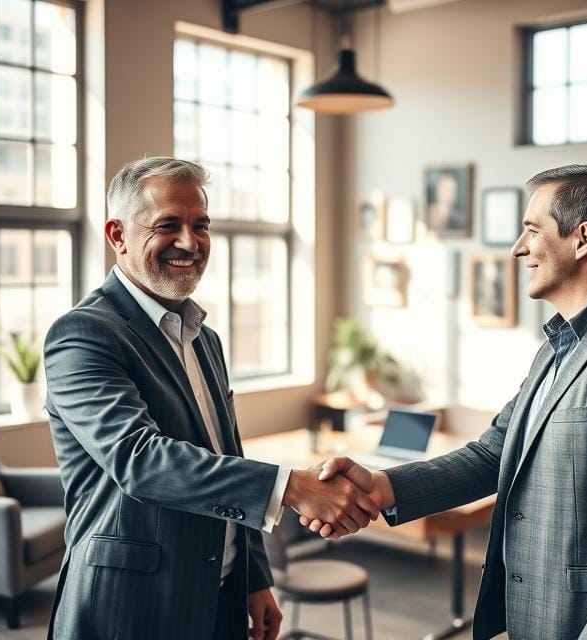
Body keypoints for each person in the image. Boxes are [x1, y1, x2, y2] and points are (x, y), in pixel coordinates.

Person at [305, 165, 587, 640]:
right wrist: (379, 487)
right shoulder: (559, 344)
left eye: (532, 230)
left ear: (582, 239)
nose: (519, 248)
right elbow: (493, 453)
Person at [44, 157, 379, 640]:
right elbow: (141, 461)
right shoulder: (82, 335)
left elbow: (227, 456)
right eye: (168, 225)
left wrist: (255, 577)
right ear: (117, 235)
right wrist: (294, 488)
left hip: (219, 594)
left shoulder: (205, 339)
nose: (189, 241)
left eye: (200, 225)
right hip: (130, 606)